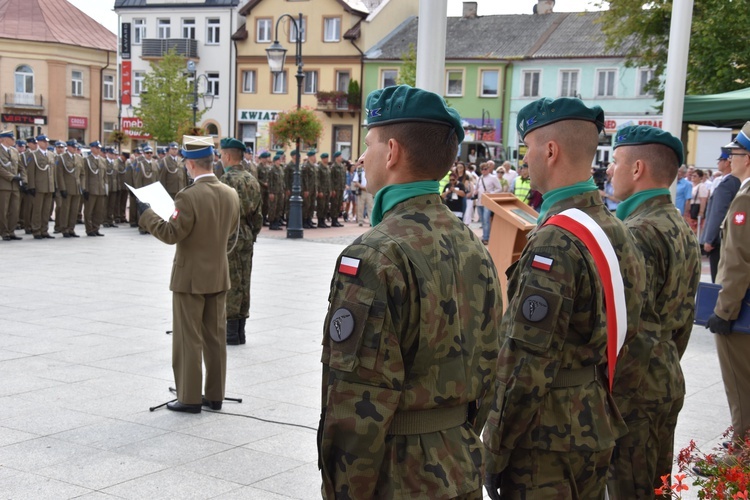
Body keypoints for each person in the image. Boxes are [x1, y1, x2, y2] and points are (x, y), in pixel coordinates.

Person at [318, 84, 501, 499]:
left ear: (393, 151)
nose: (362, 157)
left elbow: (355, 406)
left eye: (370, 144)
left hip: (396, 478)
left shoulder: (374, 254)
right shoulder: (472, 243)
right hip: (460, 465)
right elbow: (491, 366)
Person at [483, 97, 645, 499]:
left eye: (527, 149)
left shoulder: (555, 241)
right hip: (594, 417)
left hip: (546, 439)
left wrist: (492, 448)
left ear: (550, 150)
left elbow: (525, 363)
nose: (525, 160)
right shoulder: (616, 227)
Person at [606, 125, 701, 497]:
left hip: (637, 392)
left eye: (615, 162)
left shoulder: (638, 232)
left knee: (633, 490)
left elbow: (633, 331)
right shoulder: (677, 225)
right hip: (664, 377)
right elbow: (684, 320)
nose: (611, 171)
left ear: (637, 168)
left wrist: (614, 403)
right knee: (654, 487)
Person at [137, 135, 240, 413]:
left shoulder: (188, 196)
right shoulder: (230, 193)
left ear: (191, 165)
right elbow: (230, 231)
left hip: (190, 278)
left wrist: (147, 215)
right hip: (218, 275)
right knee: (215, 339)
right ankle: (215, 395)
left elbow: (172, 233)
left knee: (188, 339)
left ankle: (190, 397)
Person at [706, 121, 750, 454]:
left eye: (734, 152)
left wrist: (723, 312)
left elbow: (737, 260)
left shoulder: (745, 197)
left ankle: (740, 456)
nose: (729, 158)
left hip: (741, 314)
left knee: (741, 387)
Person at [218, 138, 262, 346]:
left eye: (221, 155)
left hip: (230, 234)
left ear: (227, 156)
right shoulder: (251, 179)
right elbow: (259, 215)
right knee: (245, 280)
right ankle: (241, 330)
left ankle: (231, 333)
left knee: (231, 282)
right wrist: (251, 233)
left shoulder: (225, 180)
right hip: (246, 234)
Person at [701, 150, 740, 283]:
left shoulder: (727, 184)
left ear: (728, 162)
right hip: (731, 240)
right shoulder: (737, 182)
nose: (718, 163)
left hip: (718, 241)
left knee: (718, 280)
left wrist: (709, 239)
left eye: (721, 160)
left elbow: (718, 212)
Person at [25, 134, 55, 239]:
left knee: (46, 210)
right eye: (44, 141)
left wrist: (54, 186)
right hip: (39, 186)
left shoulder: (51, 154)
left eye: (47, 141)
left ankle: (44, 230)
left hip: (49, 186)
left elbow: (52, 172)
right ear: (38, 142)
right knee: (37, 210)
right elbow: (31, 172)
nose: (46, 143)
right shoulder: (33, 155)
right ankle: (36, 230)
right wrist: (31, 186)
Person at [0, 129, 26, 241]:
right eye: (11, 138)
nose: (13, 140)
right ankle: (4, 232)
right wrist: (12, 177)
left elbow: (21, 167)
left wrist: (24, 180)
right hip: (3, 185)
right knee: (3, 210)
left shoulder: (15, 151)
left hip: (15, 186)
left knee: (15, 210)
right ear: (3, 139)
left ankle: (11, 231)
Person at [55, 139, 82, 238]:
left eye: (76, 147)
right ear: (68, 147)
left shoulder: (79, 158)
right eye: (73, 147)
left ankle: (71, 228)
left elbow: (82, 173)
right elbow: (60, 174)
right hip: (67, 187)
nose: (75, 149)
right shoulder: (62, 158)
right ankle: (64, 228)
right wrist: (62, 188)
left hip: (76, 188)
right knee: (65, 210)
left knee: (74, 210)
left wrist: (82, 186)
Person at [82, 141, 107, 237]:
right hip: (91, 189)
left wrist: (105, 189)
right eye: (96, 148)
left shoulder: (102, 160)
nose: (98, 150)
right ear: (92, 148)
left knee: (99, 211)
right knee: (89, 211)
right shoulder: (86, 160)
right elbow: (85, 176)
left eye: (99, 148)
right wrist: (85, 189)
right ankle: (89, 229)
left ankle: (96, 228)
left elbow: (105, 177)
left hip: (100, 189)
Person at [475, 161, 502, 244]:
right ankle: (485, 236)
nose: (484, 171)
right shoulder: (480, 178)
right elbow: (476, 188)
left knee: (486, 220)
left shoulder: (493, 178)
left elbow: (499, 188)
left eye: (485, 169)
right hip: (479, 201)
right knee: (482, 221)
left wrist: (490, 193)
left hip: (487, 202)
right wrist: (475, 192)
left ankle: (486, 238)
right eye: (482, 169)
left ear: (488, 169)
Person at [351, 158, 373, 226]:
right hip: (361, 191)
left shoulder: (370, 170)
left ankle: (371, 221)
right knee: (360, 206)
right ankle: (360, 221)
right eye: (362, 163)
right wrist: (361, 187)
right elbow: (355, 181)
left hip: (369, 191)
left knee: (370, 206)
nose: (363, 164)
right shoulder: (359, 171)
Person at [688, 168, 709, 234]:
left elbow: (703, 199)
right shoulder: (690, 185)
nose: (693, 177)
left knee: (696, 228)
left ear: (700, 178)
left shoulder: (701, 186)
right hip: (690, 207)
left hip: (696, 207)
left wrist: (701, 212)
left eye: (695, 176)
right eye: (692, 175)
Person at [329, 151, 346, 227]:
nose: (341, 157)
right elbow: (331, 179)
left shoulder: (342, 166)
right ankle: (333, 220)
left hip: (341, 188)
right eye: (340, 156)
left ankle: (336, 219)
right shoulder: (333, 167)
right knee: (334, 204)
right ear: (336, 157)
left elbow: (343, 177)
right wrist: (332, 189)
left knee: (339, 204)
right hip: (335, 189)